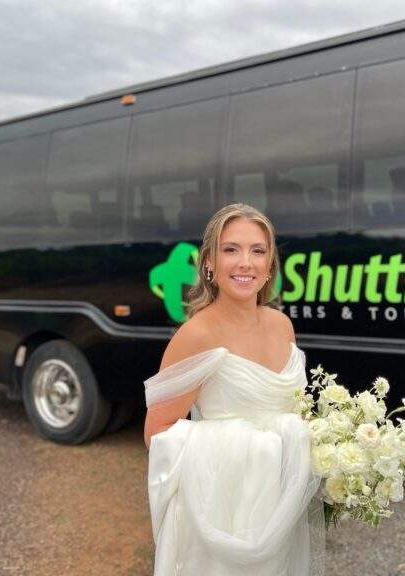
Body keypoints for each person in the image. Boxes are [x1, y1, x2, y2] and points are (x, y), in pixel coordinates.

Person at [143, 203, 325, 575]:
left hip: (278, 507)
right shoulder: (197, 335)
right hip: (221, 513)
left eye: (258, 251)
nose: (246, 263)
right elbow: (156, 432)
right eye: (231, 250)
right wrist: (256, 446)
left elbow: (292, 410)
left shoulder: (282, 326)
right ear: (209, 262)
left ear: (270, 264)